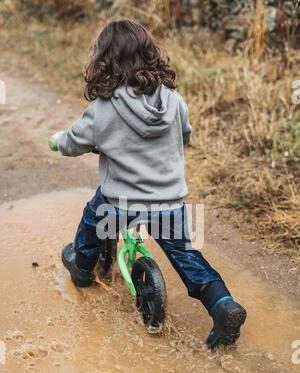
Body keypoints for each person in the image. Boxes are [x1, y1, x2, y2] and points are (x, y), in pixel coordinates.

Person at [52, 18, 247, 349]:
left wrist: (57, 141)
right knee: (186, 255)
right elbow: (184, 135)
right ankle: (222, 304)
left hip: (119, 203)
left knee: (91, 223)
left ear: (104, 60)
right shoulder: (173, 100)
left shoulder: (103, 108)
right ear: (150, 54)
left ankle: (82, 268)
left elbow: (73, 142)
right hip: (168, 202)